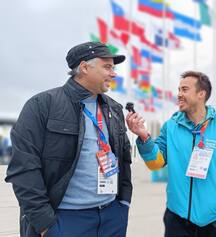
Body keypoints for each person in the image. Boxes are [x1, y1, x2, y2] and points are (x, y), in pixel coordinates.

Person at [5, 42, 133, 237]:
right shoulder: (41, 105)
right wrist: (44, 224)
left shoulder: (114, 109)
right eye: (107, 67)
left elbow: (123, 158)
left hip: (111, 218)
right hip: (64, 221)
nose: (113, 73)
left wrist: (123, 204)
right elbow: (23, 168)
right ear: (84, 67)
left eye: (113, 68)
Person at [126, 71, 216, 237]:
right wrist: (144, 137)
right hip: (177, 219)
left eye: (184, 89)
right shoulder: (170, 126)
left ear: (201, 94)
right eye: (178, 89)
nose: (179, 94)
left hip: (214, 219)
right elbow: (156, 163)